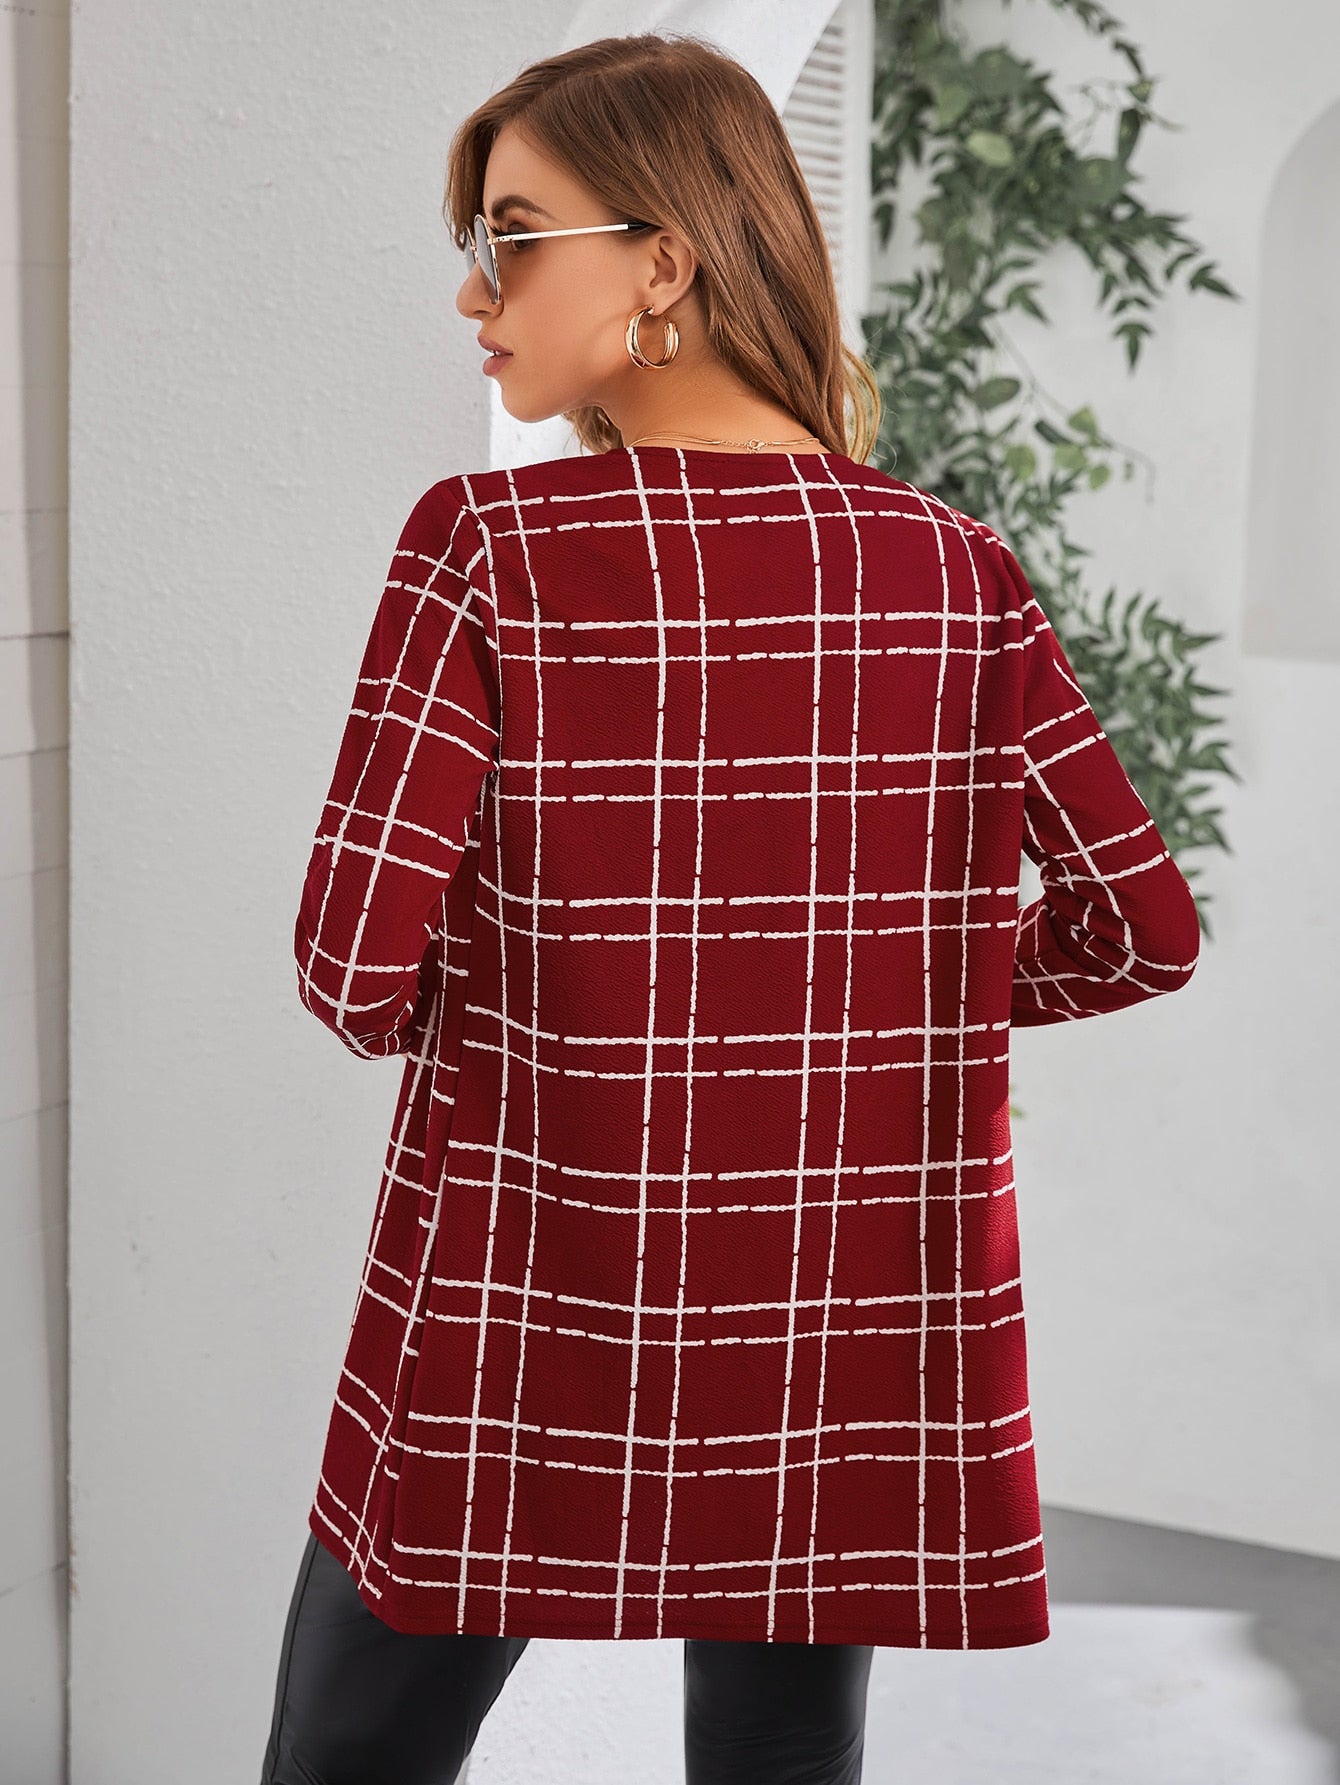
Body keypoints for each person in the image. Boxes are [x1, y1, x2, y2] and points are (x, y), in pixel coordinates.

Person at [260, 29, 1201, 1785]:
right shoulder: (959, 572)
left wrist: (574, 984)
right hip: (832, 1335)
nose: (473, 294)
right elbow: (1141, 927)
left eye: (512, 239)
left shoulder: (489, 550)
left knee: (345, 1765)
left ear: (664, 262)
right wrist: (879, 984)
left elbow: (350, 967)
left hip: (516, 1315)